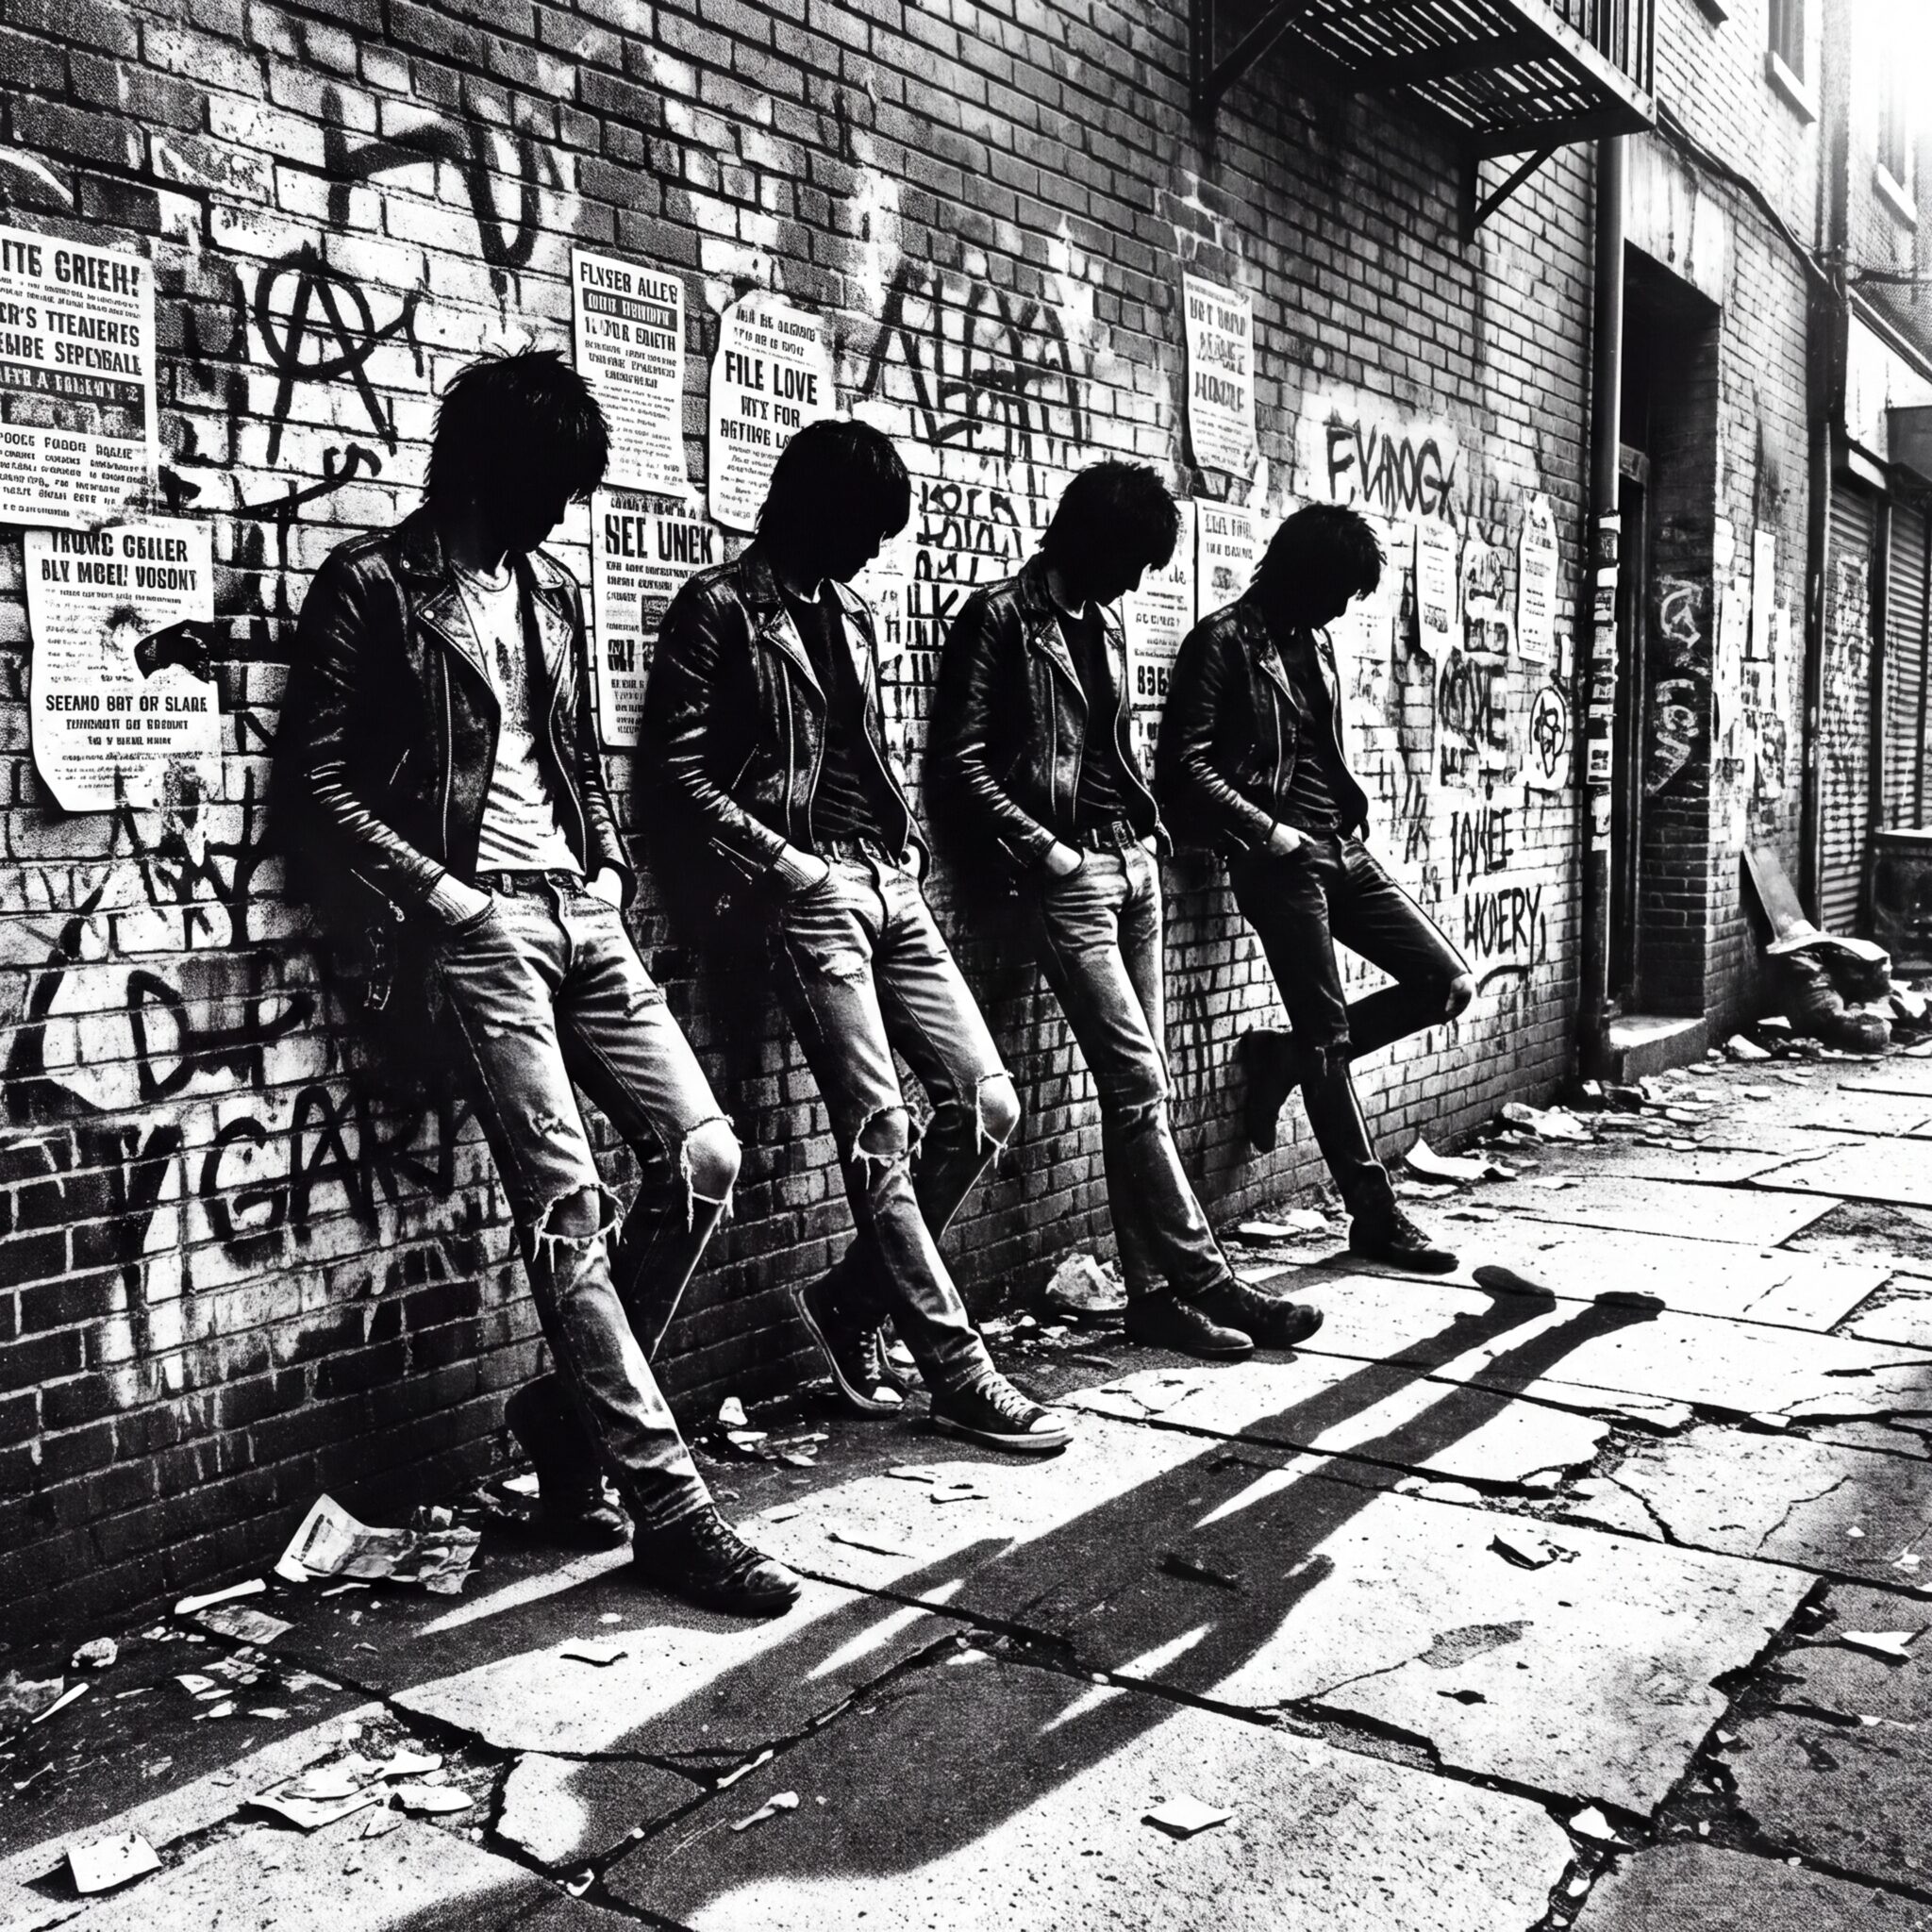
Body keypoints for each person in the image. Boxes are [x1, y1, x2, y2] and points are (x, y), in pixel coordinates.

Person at [277, 349, 799, 1617]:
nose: (561, 518)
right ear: (489, 475)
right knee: (565, 1195)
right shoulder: (376, 587)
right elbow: (318, 780)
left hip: (580, 909)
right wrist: (445, 896)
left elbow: (571, 747)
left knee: (705, 1159)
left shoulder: (551, 590)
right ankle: (667, 1502)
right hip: (474, 925)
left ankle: (568, 1418)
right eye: (546, 489)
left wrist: (605, 867)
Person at [641, 419, 1070, 1454]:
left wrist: (906, 847)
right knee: (880, 1129)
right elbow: (677, 774)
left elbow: (870, 749)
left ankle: (846, 1304)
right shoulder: (721, 607)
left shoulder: (855, 613)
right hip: (804, 886)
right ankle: (957, 1369)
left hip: (886, 879)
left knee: (985, 1102)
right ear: (815, 511)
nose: (873, 554)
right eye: (863, 530)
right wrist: (788, 865)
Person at [930, 461, 1323, 1360]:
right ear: (1089, 541)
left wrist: (1142, 835)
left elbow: (1111, 743)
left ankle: (1153, 1296)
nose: (1136, 584)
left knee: (1144, 1091)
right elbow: (963, 762)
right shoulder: (1000, 620)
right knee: (1140, 1083)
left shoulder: (1101, 623)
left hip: (1131, 859)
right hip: (1067, 876)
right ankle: (1205, 1277)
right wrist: (1048, 851)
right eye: (1129, 561)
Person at [1156, 502, 1476, 1274]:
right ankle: (1374, 1216)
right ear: (1302, 574)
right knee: (1329, 1038)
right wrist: (1267, 831)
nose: (1341, 608)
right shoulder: (1223, 642)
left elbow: (1314, 744)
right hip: (1278, 860)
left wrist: (1348, 801)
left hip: (1340, 846)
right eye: (1336, 590)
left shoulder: (1316, 642)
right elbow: (1183, 765)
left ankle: (1281, 1061)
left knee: (1447, 983)